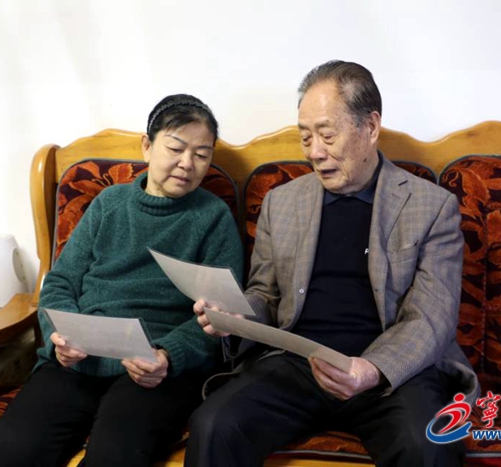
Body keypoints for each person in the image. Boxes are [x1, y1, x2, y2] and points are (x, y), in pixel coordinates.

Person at [188, 61, 479, 466]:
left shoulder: (431, 206)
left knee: (427, 443)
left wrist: (371, 369)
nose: (314, 152)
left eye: (327, 135)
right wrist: (234, 315)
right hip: (296, 365)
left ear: (370, 127)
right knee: (214, 424)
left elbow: (432, 317)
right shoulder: (282, 202)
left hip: (391, 373)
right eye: (305, 137)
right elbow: (265, 295)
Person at [0, 94, 243, 467]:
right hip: (80, 359)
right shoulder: (108, 203)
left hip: (154, 369)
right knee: (9, 453)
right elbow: (60, 283)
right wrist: (58, 337)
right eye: (176, 149)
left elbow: (221, 316)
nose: (187, 163)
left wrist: (168, 356)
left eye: (202, 154)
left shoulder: (213, 217)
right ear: (147, 146)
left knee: (113, 456)